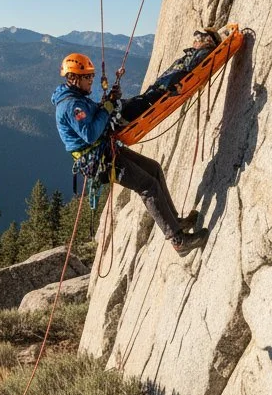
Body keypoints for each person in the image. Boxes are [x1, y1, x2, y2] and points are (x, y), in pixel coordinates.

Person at [52, 29, 223, 256]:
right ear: (73, 78)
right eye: (87, 77)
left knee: (153, 169)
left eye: (91, 76)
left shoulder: (76, 99)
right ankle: (178, 241)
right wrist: (108, 108)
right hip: (101, 159)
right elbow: (90, 134)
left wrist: (109, 103)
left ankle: (176, 223)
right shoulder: (70, 106)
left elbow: (96, 120)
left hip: (105, 151)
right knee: (147, 186)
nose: (91, 80)